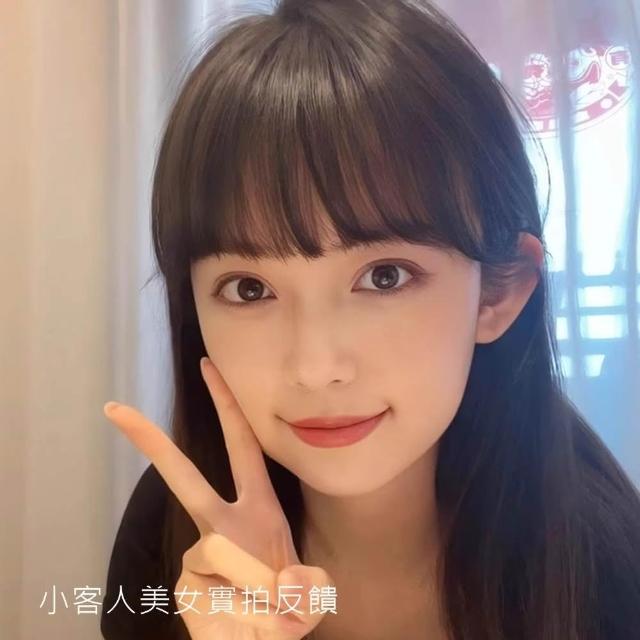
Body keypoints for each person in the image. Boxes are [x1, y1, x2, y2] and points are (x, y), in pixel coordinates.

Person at [100, 0, 640, 638]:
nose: (316, 367)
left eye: (385, 276)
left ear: (498, 292)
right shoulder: (177, 541)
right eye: (249, 288)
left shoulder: (607, 569)